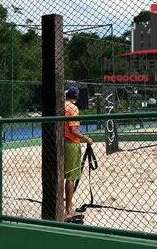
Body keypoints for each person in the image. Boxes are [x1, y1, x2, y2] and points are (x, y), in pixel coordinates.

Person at [63, 86, 93, 223]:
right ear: (77, 97)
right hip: (71, 143)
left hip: (60, 143)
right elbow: (74, 130)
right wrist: (86, 138)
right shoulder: (73, 108)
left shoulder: (61, 105)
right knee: (70, 177)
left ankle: (64, 206)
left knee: (61, 176)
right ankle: (69, 209)